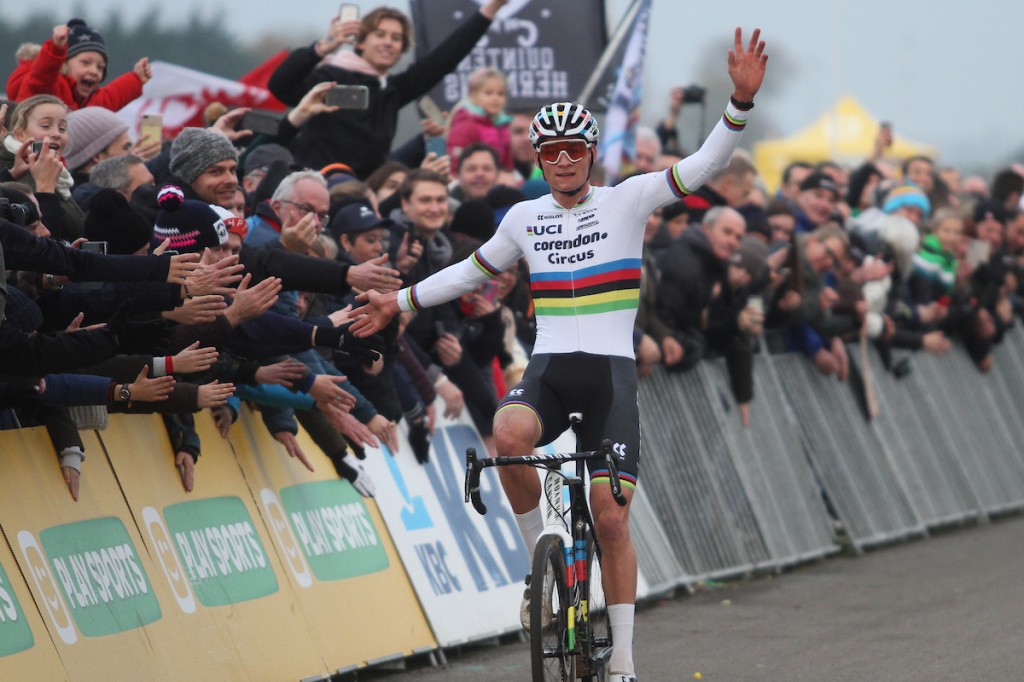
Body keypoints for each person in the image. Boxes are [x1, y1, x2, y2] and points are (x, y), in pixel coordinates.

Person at [352, 28, 768, 682]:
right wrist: (400, 302)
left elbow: (704, 167)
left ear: (592, 154)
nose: (564, 161)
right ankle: (536, 575)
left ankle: (624, 659)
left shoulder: (627, 199)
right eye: (552, 153)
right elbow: (467, 272)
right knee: (507, 432)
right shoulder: (524, 218)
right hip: (549, 370)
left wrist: (738, 104)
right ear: (540, 160)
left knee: (609, 515)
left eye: (574, 150)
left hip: (608, 378)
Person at [267, 0, 508, 177]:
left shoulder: (390, 90)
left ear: (402, 48)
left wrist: (490, 10)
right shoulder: (329, 77)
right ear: (361, 41)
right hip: (321, 182)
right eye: (380, 34)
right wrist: (321, 48)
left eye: (396, 38)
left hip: (369, 191)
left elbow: (442, 60)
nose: (388, 43)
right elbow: (279, 86)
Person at [6, 19, 152, 111]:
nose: (94, 71)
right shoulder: (49, 85)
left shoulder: (83, 99)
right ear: (63, 63)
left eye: (100, 67)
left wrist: (136, 79)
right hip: (32, 153)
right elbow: (42, 77)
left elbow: (107, 100)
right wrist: (56, 49)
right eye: (86, 62)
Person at [446, 67, 513, 173]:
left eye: (500, 94)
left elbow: (508, 163)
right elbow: (456, 163)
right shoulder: (466, 124)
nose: (495, 98)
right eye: (488, 93)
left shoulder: (503, 125)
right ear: (474, 95)